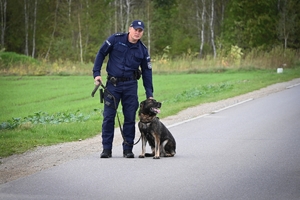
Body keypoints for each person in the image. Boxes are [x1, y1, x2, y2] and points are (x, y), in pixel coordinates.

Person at [92, 20, 153, 158]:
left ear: (142, 32)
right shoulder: (115, 39)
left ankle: (128, 149)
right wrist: (97, 73)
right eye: (135, 29)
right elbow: (101, 54)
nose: (137, 32)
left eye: (140, 31)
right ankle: (106, 149)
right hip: (112, 85)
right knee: (108, 118)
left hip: (131, 86)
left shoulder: (142, 50)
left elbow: (147, 72)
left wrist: (150, 94)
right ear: (129, 29)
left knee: (130, 118)